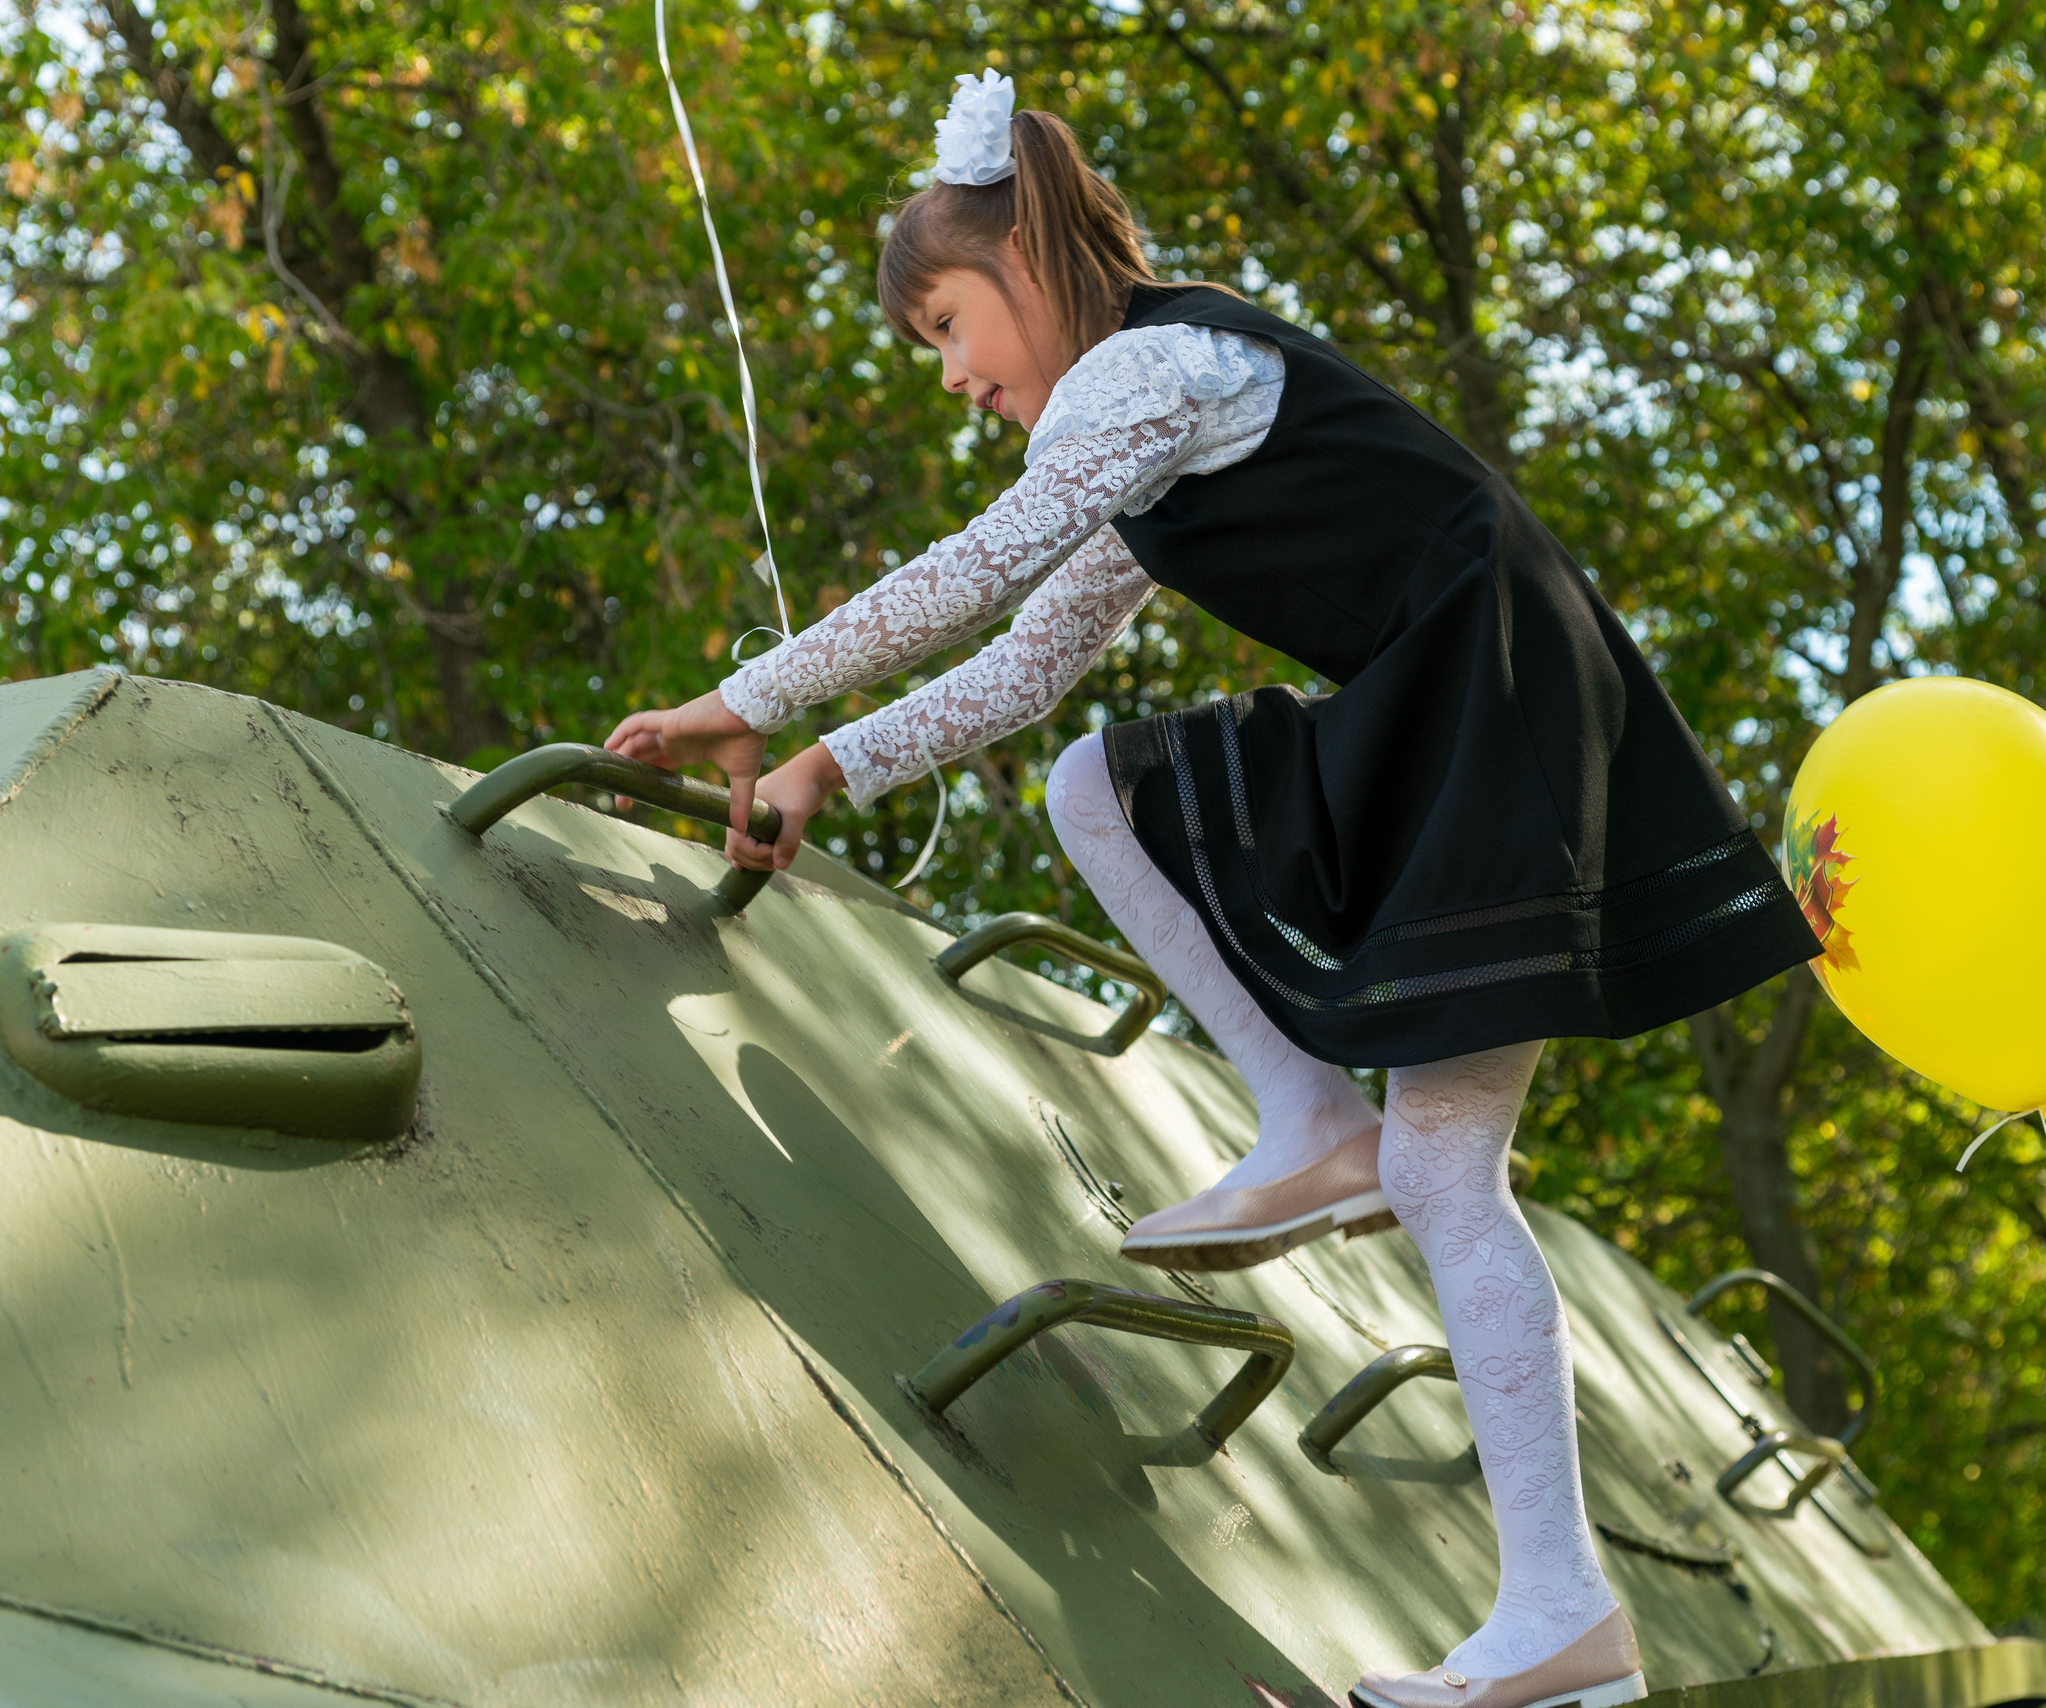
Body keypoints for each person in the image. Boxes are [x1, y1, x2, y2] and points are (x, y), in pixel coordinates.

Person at [606, 68, 1821, 1708]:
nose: (951, 376)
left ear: (1026, 260)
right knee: (1099, 785)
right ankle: (1313, 1128)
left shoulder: (1149, 370)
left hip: (1500, 707)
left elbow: (980, 569)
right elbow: (1035, 660)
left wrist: (749, 699)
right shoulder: (1151, 433)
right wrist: (835, 766)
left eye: (949, 327)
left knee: (1451, 1161)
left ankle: (1560, 1614)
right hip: (1442, 705)